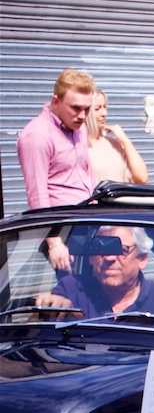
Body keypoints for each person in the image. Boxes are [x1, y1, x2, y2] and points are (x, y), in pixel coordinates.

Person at [18, 69, 96, 271]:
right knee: (74, 294)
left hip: (87, 224)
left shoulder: (79, 128)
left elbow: (87, 176)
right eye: (76, 108)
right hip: (62, 231)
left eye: (87, 109)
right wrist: (54, 242)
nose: (82, 116)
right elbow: (37, 196)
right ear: (55, 101)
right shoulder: (38, 135)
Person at [35, 225, 154, 320]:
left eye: (121, 250)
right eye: (101, 248)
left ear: (142, 259)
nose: (109, 257)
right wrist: (45, 310)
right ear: (91, 258)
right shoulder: (71, 290)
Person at [86, 90, 149, 186]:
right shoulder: (80, 146)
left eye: (105, 107)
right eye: (97, 109)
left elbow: (142, 178)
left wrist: (125, 141)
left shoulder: (114, 145)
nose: (104, 113)